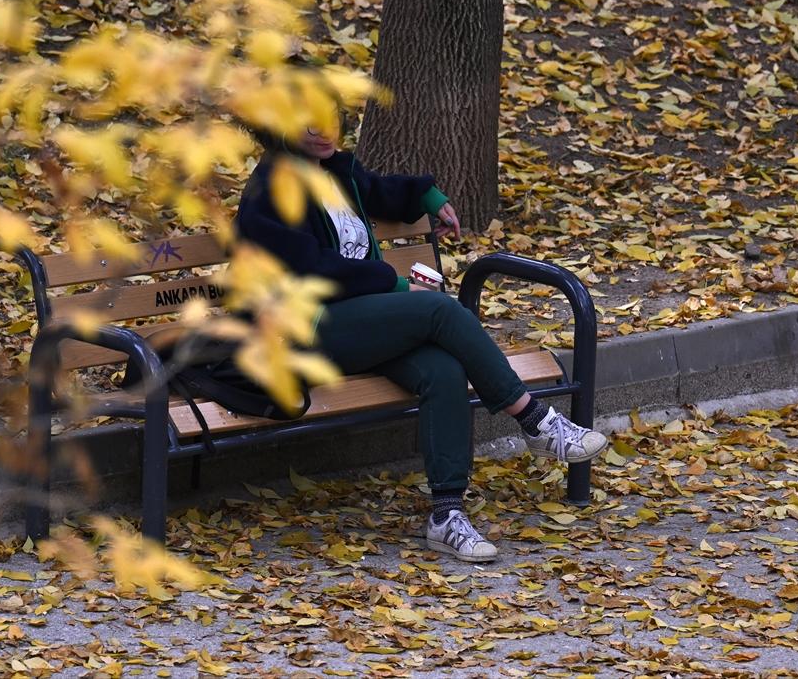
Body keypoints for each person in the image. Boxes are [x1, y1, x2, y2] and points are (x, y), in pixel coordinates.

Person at [236, 127, 608, 562]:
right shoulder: (268, 193)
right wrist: (394, 284)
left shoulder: (337, 171)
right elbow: (311, 269)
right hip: (303, 330)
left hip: (361, 321)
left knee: (442, 370)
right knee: (438, 310)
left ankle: (446, 515)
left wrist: (429, 196)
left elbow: (383, 192)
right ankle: (535, 419)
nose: (322, 129)